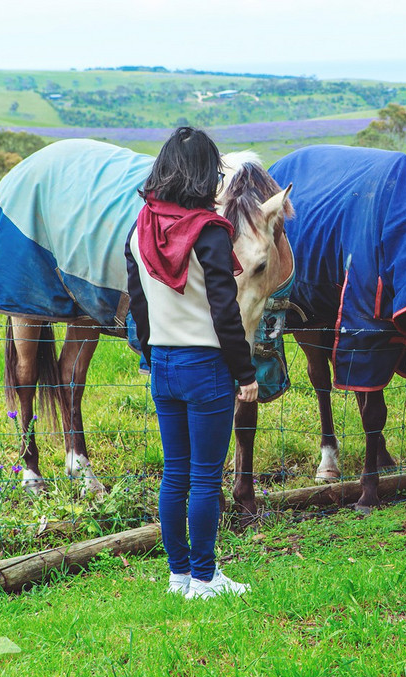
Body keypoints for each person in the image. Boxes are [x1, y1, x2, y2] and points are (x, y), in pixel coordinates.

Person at [124, 127, 257, 599]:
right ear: (207, 175)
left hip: (163, 363)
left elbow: (136, 301)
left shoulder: (140, 227)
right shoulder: (209, 233)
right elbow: (226, 310)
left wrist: (148, 352)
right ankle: (204, 577)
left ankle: (178, 575)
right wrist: (246, 373)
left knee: (174, 473)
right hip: (207, 367)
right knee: (204, 474)